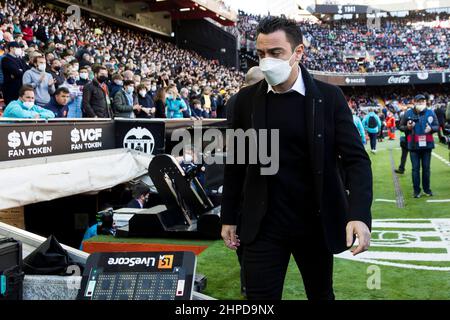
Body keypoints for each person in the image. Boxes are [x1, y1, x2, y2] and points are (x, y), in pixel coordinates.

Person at [221, 17, 372, 301]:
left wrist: (359, 215)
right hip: (263, 225)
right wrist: (228, 216)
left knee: (321, 295)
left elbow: (357, 161)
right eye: (261, 54)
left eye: (275, 53)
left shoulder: (329, 98)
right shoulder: (244, 102)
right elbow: (237, 164)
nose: (266, 61)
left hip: (315, 224)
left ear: (298, 52)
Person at [399, 94, 439, 198]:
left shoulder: (430, 112)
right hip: (413, 145)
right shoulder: (408, 113)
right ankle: (416, 191)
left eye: (422, 101)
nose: (420, 103)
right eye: (418, 101)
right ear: (414, 102)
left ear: (425, 102)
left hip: (427, 145)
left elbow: (437, 126)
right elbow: (400, 126)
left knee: (426, 169)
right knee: (415, 169)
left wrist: (431, 129)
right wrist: (407, 127)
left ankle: (427, 189)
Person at [395, 108, 410, 175]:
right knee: (405, 155)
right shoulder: (408, 118)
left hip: (406, 139)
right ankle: (401, 168)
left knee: (404, 155)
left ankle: (401, 168)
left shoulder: (402, 118)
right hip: (406, 139)